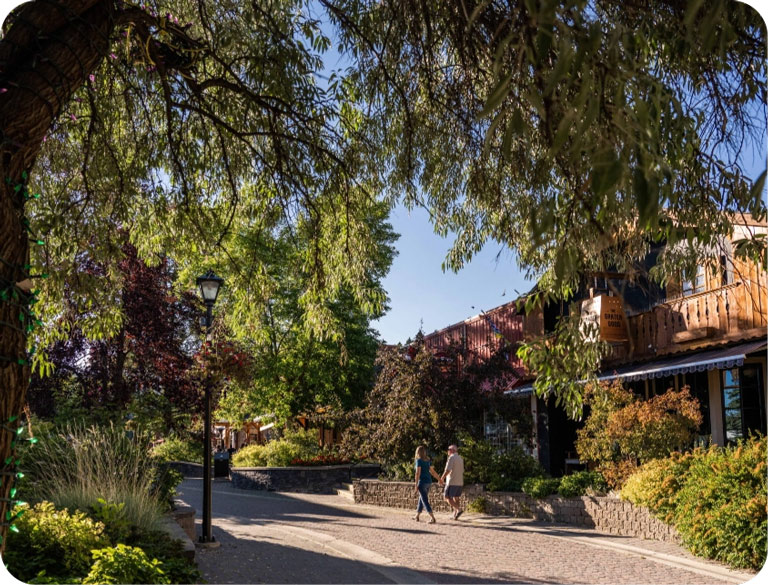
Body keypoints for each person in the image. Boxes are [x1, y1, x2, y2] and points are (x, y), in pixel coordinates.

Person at [413, 445, 443, 523]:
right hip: (429, 482)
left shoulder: (419, 461)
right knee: (421, 498)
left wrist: (416, 484)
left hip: (422, 482)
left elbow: (417, 473)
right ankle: (417, 516)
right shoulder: (427, 461)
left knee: (424, 500)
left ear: (418, 452)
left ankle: (432, 518)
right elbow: (432, 472)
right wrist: (439, 479)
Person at [441, 444, 465, 520]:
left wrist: (442, 478)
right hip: (460, 482)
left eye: (448, 449)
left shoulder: (451, 458)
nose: (447, 451)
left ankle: (459, 510)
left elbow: (448, 470)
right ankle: (455, 514)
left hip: (452, 481)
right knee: (456, 498)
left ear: (452, 450)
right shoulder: (460, 458)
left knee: (446, 497)